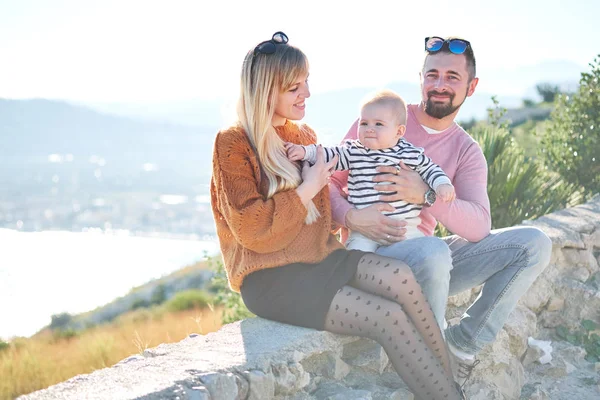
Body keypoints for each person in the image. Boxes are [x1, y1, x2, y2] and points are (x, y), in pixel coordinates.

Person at [210, 31, 466, 399]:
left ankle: (449, 388)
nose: (307, 93)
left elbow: (321, 221)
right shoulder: (233, 143)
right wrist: (309, 187)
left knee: (399, 276)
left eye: (307, 82)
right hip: (270, 279)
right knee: (388, 317)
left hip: (320, 260)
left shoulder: (304, 136)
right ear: (267, 91)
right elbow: (252, 231)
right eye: (295, 87)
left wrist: (369, 201)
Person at [329, 36, 553, 387]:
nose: (439, 85)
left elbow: (479, 225)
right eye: (432, 75)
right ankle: (429, 360)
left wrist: (425, 194)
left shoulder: (466, 149)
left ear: (471, 86)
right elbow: (328, 182)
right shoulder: (381, 116)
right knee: (433, 250)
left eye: (452, 77)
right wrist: (351, 217)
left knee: (534, 244)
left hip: (426, 259)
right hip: (370, 254)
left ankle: (461, 346)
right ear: (420, 78)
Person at [285, 89, 455, 252]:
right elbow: (328, 154)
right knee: (357, 254)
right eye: (364, 123)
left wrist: (442, 184)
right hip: (365, 231)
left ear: (399, 131)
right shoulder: (354, 151)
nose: (369, 128)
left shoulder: (409, 153)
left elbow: (431, 170)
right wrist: (305, 151)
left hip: (404, 229)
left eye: (378, 124)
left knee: (426, 252)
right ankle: (352, 277)